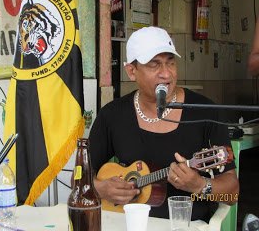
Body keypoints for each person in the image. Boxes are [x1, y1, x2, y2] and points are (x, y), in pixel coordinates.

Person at [89, 26, 239, 222]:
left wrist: (200, 185)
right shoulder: (112, 115)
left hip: (188, 226)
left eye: (171, 63)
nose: (166, 74)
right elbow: (79, 177)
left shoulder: (206, 112)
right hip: (127, 224)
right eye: (154, 64)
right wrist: (101, 188)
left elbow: (233, 195)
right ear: (132, 71)